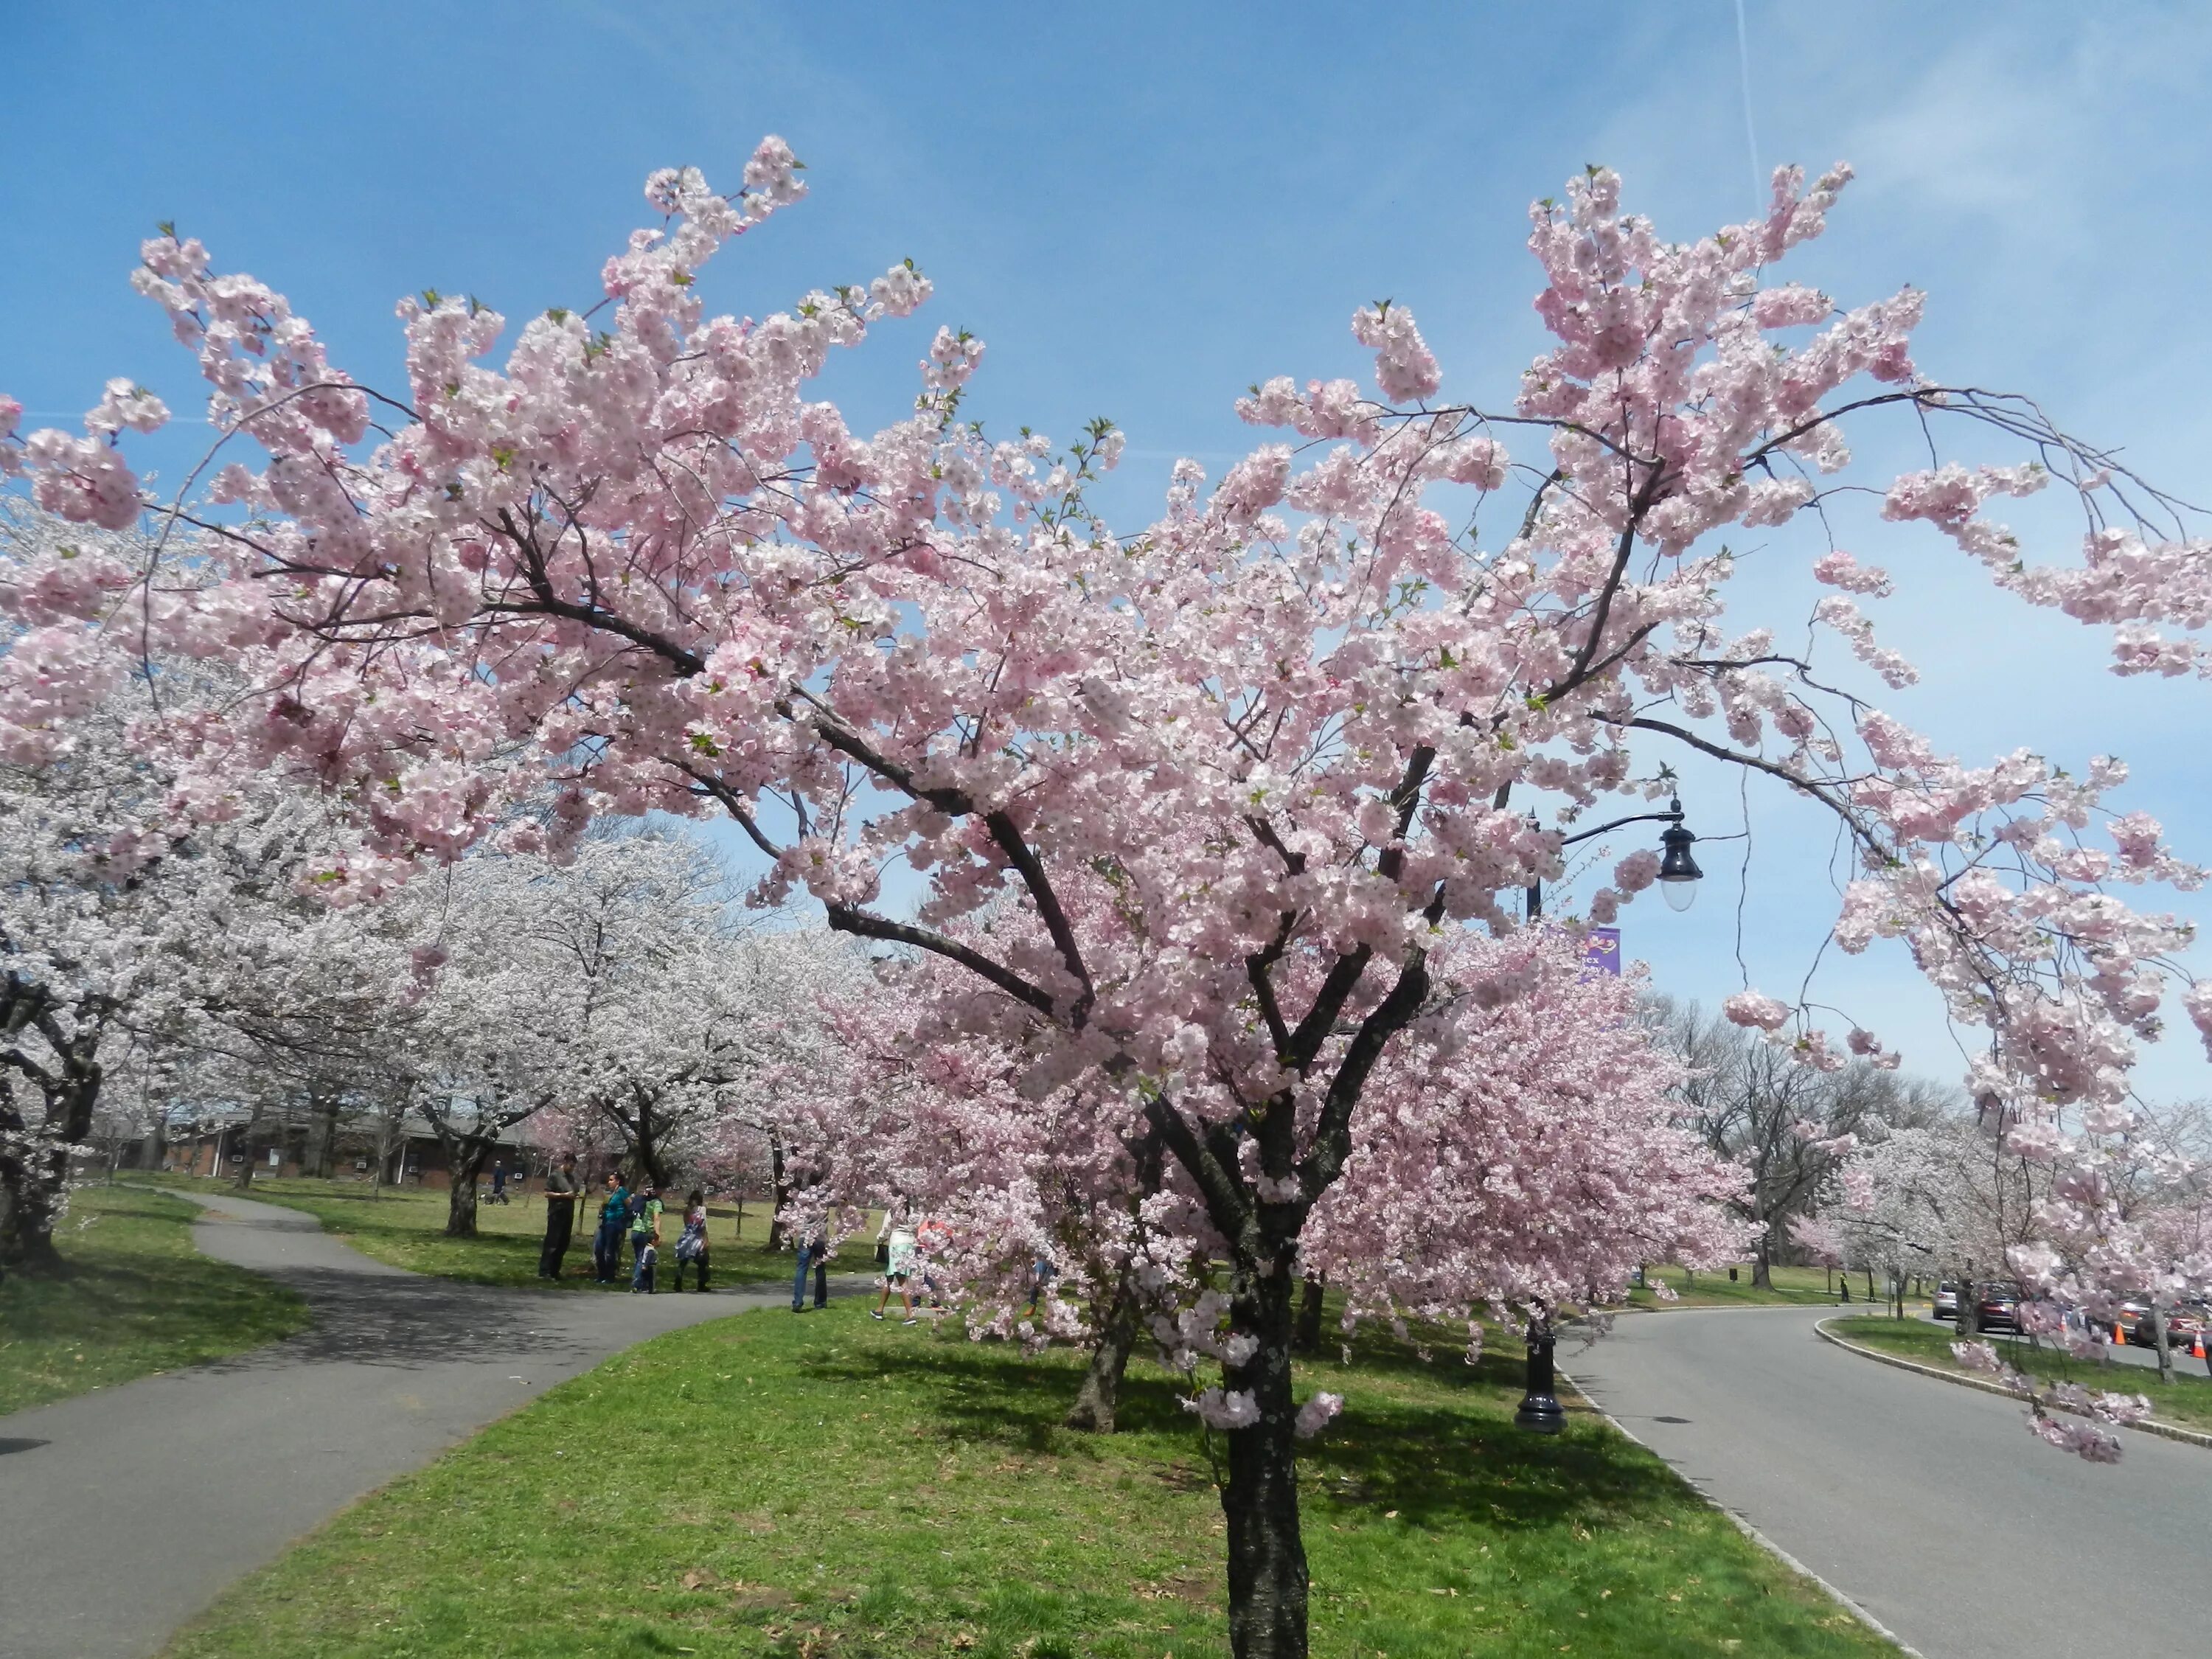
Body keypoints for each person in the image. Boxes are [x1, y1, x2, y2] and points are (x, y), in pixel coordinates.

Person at [872, 1198, 919, 1326]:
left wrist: (879, 1239)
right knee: (889, 1277)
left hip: (897, 1245)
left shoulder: (892, 1212)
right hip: (909, 1245)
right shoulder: (913, 1212)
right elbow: (916, 1228)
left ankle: (910, 1315)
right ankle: (879, 1310)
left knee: (902, 1279)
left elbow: (886, 1229)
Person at [539, 1152, 581, 1279]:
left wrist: (575, 1195)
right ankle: (545, 1270)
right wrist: (563, 1196)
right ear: (565, 1162)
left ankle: (555, 1271)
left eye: (574, 1166)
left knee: (563, 1242)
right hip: (556, 1212)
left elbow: (574, 1191)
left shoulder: (571, 1178)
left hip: (568, 1212)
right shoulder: (555, 1176)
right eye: (571, 1165)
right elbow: (547, 1193)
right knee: (553, 1242)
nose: (572, 1168)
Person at [593, 1171, 630, 1284]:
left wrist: (623, 1216)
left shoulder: (622, 1192)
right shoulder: (611, 1193)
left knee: (610, 1250)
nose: (609, 1182)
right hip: (605, 1222)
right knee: (599, 1249)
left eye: (611, 1180)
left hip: (615, 1223)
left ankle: (610, 1276)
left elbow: (630, 1204)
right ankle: (601, 1274)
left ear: (618, 1181)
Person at [672, 1189, 711, 1292]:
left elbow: (686, 1224)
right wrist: (705, 1240)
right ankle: (701, 1284)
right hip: (697, 1237)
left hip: (687, 1236)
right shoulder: (701, 1209)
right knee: (703, 1260)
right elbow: (703, 1225)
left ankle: (678, 1283)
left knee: (683, 1261)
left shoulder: (687, 1210)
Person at [790, 1213, 829, 1312]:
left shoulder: (804, 1198)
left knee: (802, 1269)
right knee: (820, 1269)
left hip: (805, 1237)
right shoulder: (826, 1197)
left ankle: (798, 1302)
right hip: (820, 1237)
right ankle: (820, 1302)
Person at [630, 1183, 664, 1293]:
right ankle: (636, 1284)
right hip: (645, 1233)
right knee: (643, 1259)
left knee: (639, 1258)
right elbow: (657, 1218)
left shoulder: (640, 1200)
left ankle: (643, 1283)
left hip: (635, 1231)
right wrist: (657, 1234)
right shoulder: (656, 1203)